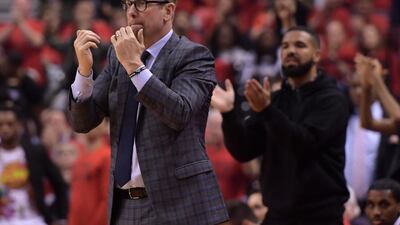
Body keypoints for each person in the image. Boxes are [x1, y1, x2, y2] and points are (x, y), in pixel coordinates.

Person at [67, 0, 229, 224]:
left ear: (168, 11)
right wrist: (84, 72)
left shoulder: (193, 55)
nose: (131, 12)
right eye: (127, 4)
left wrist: (135, 67)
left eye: (141, 3)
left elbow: (179, 112)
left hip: (182, 205)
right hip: (126, 206)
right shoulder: (117, 58)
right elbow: (82, 122)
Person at [212, 26, 349, 224]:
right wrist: (229, 114)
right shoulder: (275, 101)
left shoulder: (332, 100)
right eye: (285, 46)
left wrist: (267, 111)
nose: (290, 51)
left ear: (317, 55)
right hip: (277, 215)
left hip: (321, 216)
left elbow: (304, 143)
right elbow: (244, 150)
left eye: (300, 45)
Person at [0, 104, 68, 225]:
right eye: (1, 125)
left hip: (34, 219)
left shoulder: (35, 152)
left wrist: (61, 217)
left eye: (10, 124)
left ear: (19, 125)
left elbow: (58, 183)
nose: (5, 129)